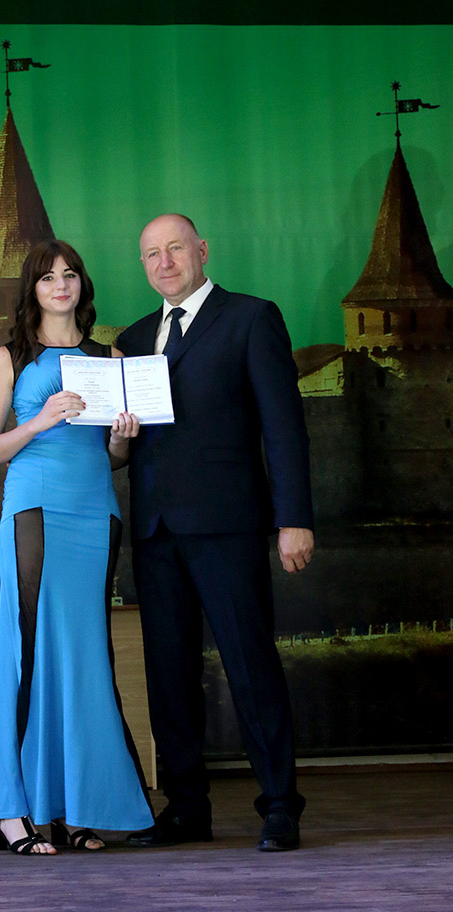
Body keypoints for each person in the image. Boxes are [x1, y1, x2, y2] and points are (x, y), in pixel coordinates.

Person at [116, 213, 314, 852]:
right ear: (143, 266)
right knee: (169, 675)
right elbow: (125, 444)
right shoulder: (132, 338)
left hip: (228, 526)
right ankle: (186, 808)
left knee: (250, 665)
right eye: (152, 254)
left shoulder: (252, 318)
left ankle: (279, 806)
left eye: (175, 248)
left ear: (201, 250)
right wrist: (118, 437)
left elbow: (283, 427)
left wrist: (293, 519)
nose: (165, 261)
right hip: (155, 530)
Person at [0, 239, 154, 855]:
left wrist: (123, 438)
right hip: (35, 510)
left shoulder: (111, 358)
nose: (60, 285)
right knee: (27, 651)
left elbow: (114, 455)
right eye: (48, 277)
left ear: (82, 285)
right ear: (33, 289)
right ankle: (12, 813)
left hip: (94, 513)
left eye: (70, 274)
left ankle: (77, 808)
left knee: (83, 657)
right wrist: (38, 421)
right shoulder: (8, 358)